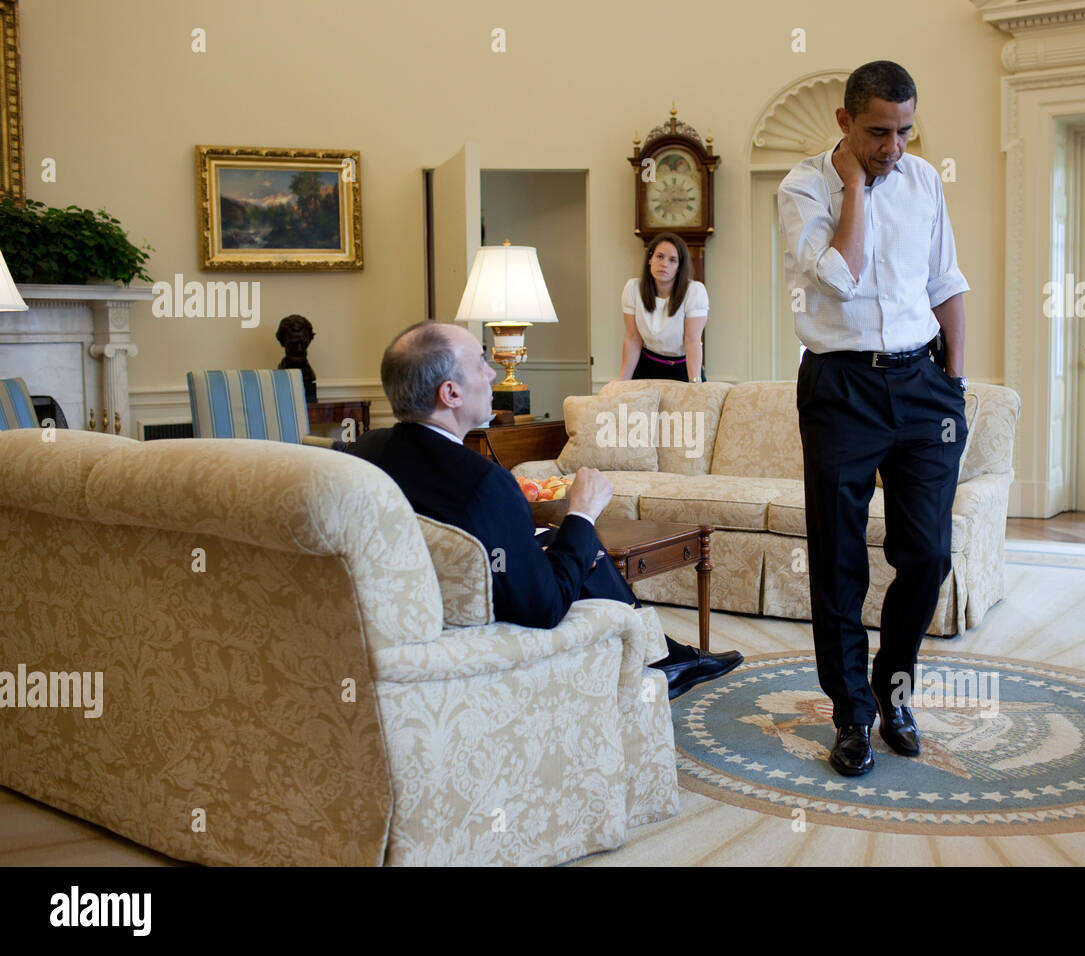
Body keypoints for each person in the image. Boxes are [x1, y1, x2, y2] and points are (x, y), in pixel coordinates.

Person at [349, 320, 742, 699]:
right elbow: (544, 608)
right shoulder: (485, 484)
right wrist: (583, 512)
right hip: (488, 633)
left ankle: (667, 655)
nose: (490, 374)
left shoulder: (365, 452)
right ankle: (663, 658)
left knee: (559, 538)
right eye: (481, 363)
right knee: (580, 537)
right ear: (450, 393)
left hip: (415, 615)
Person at [777, 61, 971, 777]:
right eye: (878, 132)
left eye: (904, 130)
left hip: (922, 384)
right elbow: (840, 274)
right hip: (840, 387)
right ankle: (854, 714)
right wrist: (855, 185)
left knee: (928, 553)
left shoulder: (923, 180)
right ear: (845, 123)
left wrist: (953, 379)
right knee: (838, 558)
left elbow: (945, 278)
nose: (894, 146)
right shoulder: (803, 187)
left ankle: (894, 689)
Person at [616, 232, 708, 382]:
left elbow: (692, 340)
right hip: (646, 366)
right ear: (650, 259)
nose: (664, 264)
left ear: (679, 267)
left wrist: (695, 383)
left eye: (673, 260)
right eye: (659, 256)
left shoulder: (694, 291)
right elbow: (633, 338)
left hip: (684, 368)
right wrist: (622, 380)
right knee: (627, 405)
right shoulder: (633, 288)